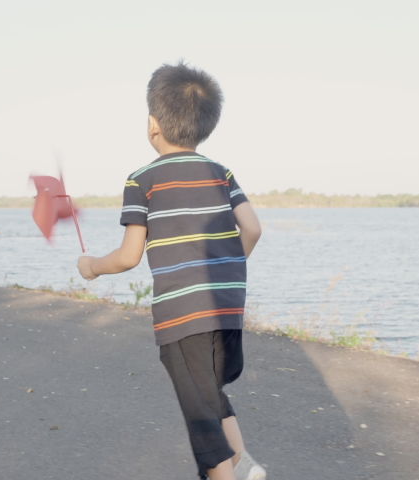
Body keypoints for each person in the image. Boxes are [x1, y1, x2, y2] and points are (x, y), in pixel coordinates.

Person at [77, 61, 265, 480]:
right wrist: (223, 269)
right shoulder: (222, 173)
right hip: (227, 311)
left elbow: (128, 256)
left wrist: (91, 267)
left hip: (184, 318)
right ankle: (244, 464)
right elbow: (251, 228)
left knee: (203, 427)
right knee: (209, 395)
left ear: (152, 124)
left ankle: (230, 468)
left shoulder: (143, 179)